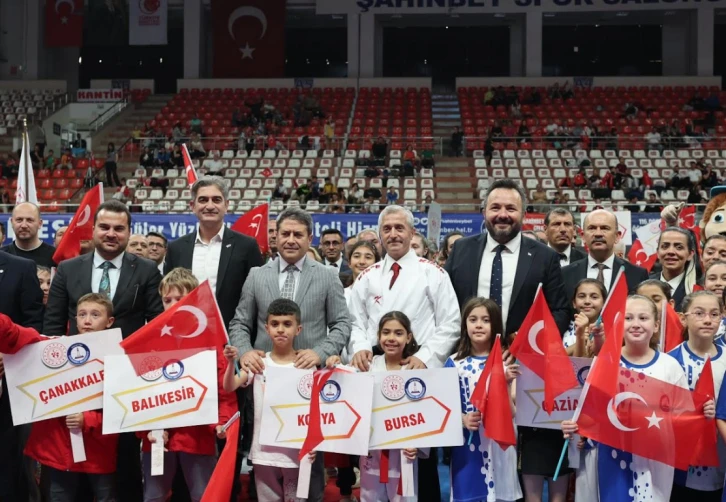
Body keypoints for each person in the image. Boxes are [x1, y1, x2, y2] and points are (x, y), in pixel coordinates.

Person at [43, 200, 163, 502]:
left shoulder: (147, 270)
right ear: (93, 229)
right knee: (75, 451)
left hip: (125, 379)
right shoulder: (68, 269)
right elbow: (53, 324)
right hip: (77, 376)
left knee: (123, 456)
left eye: (119, 228)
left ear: (129, 232)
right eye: (105, 227)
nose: (111, 233)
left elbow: (156, 324)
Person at [228, 207, 351, 502]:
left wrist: (320, 352)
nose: (291, 240)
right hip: (264, 382)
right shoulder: (257, 275)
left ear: (310, 238)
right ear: (275, 237)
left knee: (309, 460)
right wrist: (245, 353)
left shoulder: (327, 276)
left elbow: (342, 324)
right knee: (264, 461)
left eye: (298, 234)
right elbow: (240, 323)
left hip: (308, 384)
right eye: (285, 233)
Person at [348, 205, 460, 499]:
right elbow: (354, 321)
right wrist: (360, 347)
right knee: (376, 446)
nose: (393, 234)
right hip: (376, 367)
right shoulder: (367, 276)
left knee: (417, 450)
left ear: (412, 233)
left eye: (400, 228)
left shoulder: (433, 273)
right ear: (380, 236)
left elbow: (450, 323)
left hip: (417, 368)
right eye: (387, 229)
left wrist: (426, 356)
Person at [562, 295, 711, 501]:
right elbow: (587, 411)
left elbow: (683, 416)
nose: (636, 324)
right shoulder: (603, 363)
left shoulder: (669, 366)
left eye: (643, 318)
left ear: (656, 325)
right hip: (607, 456)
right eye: (628, 318)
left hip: (652, 460)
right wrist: (574, 427)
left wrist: (703, 411)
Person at [140, 269, 237, 502]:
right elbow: (138, 394)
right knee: (154, 496)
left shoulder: (212, 342)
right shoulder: (147, 341)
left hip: (198, 434)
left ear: (194, 301)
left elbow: (223, 392)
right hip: (157, 435)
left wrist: (222, 423)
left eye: (180, 299)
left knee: (204, 496)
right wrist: (145, 431)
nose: (173, 305)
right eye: (167, 300)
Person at [24, 293, 119, 502]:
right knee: (59, 496)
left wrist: (89, 419)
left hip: (99, 449)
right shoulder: (55, 350)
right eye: (82, 314)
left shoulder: (118, 357)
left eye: (95, 315)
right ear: (74, 319)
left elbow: (121, 409)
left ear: (109, 321)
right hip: (61, 448)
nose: (87, 320)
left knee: (105, 496)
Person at [445, 179, 571, 337]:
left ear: (524, 215)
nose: (503, 215)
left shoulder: (545, 256)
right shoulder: (461, 249)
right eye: (495, 208)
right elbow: (443, 304)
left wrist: (528, 340)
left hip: (522, 351)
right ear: (484, 212)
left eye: (511, 208)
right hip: (467, 349)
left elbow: (560, 311)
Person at [223, 299, 317, 500]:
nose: (280, 329)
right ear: (266, 328)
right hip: (263, 453)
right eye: (275, 324)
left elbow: (316, 411)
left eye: (287, 324)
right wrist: (231, 363)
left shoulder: (307, 366)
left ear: (298, 329)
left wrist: (313, 443)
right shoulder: (259, 363)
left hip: (297, 454)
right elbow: (229, 386)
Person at [446, 298, 522, 502]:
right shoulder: (453, 363)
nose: (478, 325)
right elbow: (444, 408)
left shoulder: (506, 364)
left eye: (485, 320)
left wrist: (506, 383)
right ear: (465, 325)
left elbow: (513, 413)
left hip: (499, 445)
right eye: (473, 319)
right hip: (466, 445)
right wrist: (462, 419)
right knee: (469, 494)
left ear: (495, 325)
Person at [164, 177, 263, 329]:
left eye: (216, 200)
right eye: (203, 200)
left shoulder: (246, 246)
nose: (210, 206)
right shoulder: (176, 248)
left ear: (226, 205)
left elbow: (258, 296)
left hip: (232, 335)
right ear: (193, 206)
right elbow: (168, 295)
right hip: (186, 331)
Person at [357, 311, 426, 501]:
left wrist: (418, 445)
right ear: (378, 336)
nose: (391, 338)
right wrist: (334, 363)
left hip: (404, 450)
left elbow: (425, 412)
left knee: (404, 497)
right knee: (370, 496)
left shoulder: (416, 370)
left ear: (408, 337)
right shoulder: (368, 367)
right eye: (386, 332)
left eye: (398, 333)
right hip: (372, 449)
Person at [669, 291, 726, 500]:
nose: (708, 320)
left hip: (720, 460)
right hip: (680, 466)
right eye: (699, 313)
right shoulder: (670, 361)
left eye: (714, 314)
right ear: (683, 318)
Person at [0, 252, 44, 502]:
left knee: (7, 450)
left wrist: (8, 354)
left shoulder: (21, 268)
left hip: (9, 380)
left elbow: (32, 330)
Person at [561, 209, 649, 300]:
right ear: (583, 236)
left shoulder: (637, 274)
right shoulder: (566, 274)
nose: (598, 234)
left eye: (605, 228)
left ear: (617, 236)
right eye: (592, 228)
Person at [650, 227, 697, 310]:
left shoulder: (697, 288)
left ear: (690, 254)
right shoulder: (644, 283)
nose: (671, 251)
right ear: (657, 252)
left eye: (679, 247)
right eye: (665, 246)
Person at [1, 202, 57, 267]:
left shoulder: (54, 256)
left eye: (29, 220)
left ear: (40, 223)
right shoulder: (2, 255)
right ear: (11, 222)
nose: (24, 225)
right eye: (19, 220)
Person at [562, 278, 606, 357]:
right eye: (581, 296)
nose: (587, 301)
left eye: (594, 297)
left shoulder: (610, 331)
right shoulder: (563, 327)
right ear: (574, 303)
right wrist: (581, 338)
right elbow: (553, 358)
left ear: (604, 302)